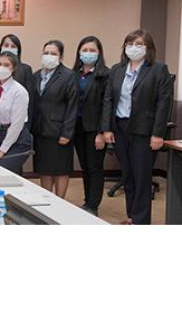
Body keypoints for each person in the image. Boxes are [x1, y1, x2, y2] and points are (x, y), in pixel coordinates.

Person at [102, 30, 172, 225]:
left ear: (148, 48)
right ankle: (132, 216)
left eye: (139, 44)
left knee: (141, 176)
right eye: (130, 44)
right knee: (128, 174)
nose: (134, 48)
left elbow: (163, 104)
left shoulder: (158, 70)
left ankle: (141, 221)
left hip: (144, 131)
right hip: (120, 127)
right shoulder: (117, 69)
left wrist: (158, 134)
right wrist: (106, 128)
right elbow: (108, 99)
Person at [32, 40, 78, 198]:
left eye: (53, 53)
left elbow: (72, 106)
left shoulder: (68, 76)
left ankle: (60, 202)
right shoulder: (36, 75)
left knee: (60, 170)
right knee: (44, 169)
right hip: (41, 131)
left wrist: (67, 133)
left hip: (59, 132)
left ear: (60, 56)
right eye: (46, 53)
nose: (49, 56)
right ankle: (48, 201)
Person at [72, 36, 109, 216]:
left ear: (99, 53)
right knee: (85, 167)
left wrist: (102, 132)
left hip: (95, 129)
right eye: (84, 50)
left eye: (92, 50)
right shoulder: (74, 74)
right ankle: (87, 201)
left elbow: (106, 105)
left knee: (95, 167)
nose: (88, 53)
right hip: (77, 127)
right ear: (79, 52)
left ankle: (93, 205)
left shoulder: (105, 75)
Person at [0, 52, 32, 173]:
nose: (2, 67)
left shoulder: (19, 92)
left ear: (14, 68)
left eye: (6, 65)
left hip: (17, 140)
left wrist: (2, 150)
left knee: (0, 172)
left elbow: (17, 124)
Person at [0, 34, 35, 123]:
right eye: (6, 45)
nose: (9, 48)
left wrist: (28, 125)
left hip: (19, 120)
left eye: (13, 46)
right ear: (1, 48)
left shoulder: (25, 69)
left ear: (18, 50)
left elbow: (30, 100)